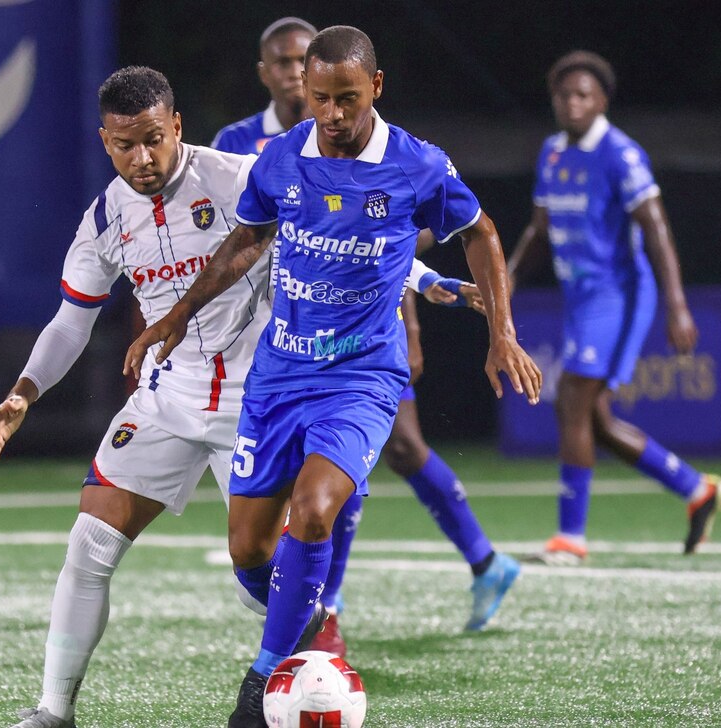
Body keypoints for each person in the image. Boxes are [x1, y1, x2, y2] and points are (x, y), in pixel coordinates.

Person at [125, 26, 542, 728]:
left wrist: (501, 333)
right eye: (321, 99)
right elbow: (248, 239)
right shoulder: (282, 157)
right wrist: (177, 316)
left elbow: (483, 233)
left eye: (347, 98)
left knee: (315, 510)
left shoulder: (416, 164)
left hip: (361, 379)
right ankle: (306, 612)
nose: (334, 114)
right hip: (278, 375)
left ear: (374, 87)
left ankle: (262, 682)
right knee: (249, 552)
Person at [210, 16, 523, 657]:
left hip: (359, 349)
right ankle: (313, 598)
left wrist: (426, 300)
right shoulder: (243, 146)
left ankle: (333, 605)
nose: (316, 94)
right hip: (267, 346)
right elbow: (234, 241)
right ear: (276, 74)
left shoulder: (394, 154)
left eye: (335, 88)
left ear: (367, 85)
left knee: (365, 466)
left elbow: (379, 244)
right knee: (250, 547)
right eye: (293, 67)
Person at [0, 66, 273, 728]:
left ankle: (306, 640)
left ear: (176, 127)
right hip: (165, 399)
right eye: (123, 145)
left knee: (259, 568)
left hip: (255, 401)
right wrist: (26, 391)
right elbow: (70, 321)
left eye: (152, 140)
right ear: (104, 142)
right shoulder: (107, 214)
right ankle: (54, 712)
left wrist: (419, 278)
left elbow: (324, 242)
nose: (140, 158)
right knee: (88, 545)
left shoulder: (234, 180)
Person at [507, 50, 721, 565]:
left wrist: (677, 305)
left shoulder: (621, 154)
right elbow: (539, 228)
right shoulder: (553, 152)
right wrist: (510, 277)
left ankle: (571, 538)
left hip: (618, 295)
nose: (572, 102)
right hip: (581, 299)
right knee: (597, 420)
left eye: (584, 94)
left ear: (602, 100)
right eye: (564, 94)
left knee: (570, 401)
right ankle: (697, 489)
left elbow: (656, 228)